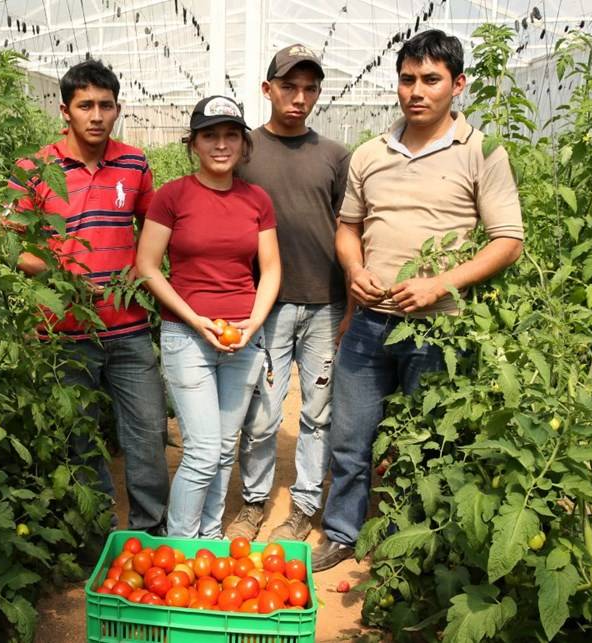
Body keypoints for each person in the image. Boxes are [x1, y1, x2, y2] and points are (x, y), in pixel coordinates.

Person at [313, 29, 525, 571]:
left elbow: (508, 242)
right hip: (370, 322)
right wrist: (354, 268)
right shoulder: (370, 154)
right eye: (408, 79)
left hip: (438, 329)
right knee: (351, 434)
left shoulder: (481, 152)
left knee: (429, 442)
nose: (417, 91)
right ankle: (341, 531)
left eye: (431, 79)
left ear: (458, 84)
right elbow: (347, 228)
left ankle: (416, 542)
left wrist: (440, 283)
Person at [5, 60, 168, 534]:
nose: (96, 115)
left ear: (117, 109)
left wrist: (144, 277)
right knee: (79, 437)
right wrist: (64, 278)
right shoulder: (34, 168)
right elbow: (12, 245)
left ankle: (149, 532)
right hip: (64, 331)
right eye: (86, 106)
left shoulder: (135, 163)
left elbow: (151, 230)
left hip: (129, 325)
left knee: (146, 433)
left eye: (106, 105)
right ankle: (97, 534)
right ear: (66, 110)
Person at [135, 95, 281, 539]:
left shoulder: (257, 199)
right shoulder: (172, 196)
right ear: (194, 144)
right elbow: (146, 266)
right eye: (210, 136)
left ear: (243, 143)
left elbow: (271, 267)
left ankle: (211, 539)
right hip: (187, 336)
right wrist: (195, 319)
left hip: (242, 339)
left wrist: (253, 325)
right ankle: (180, 547)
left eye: (231, 135)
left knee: (220, 448)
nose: (221, 145)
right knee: (200, 449)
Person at [222, 44, 352, 543]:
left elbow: (349, 230)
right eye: (289, 86)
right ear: (267, 89)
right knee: (261, 412)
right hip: (265, 306)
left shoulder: (335, 156)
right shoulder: (244, 152)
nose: (299, 97)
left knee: (318, 413)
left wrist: (350, 309)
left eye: (310, 88)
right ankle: (254, 502)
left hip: (325, 304)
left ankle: (302, 507)